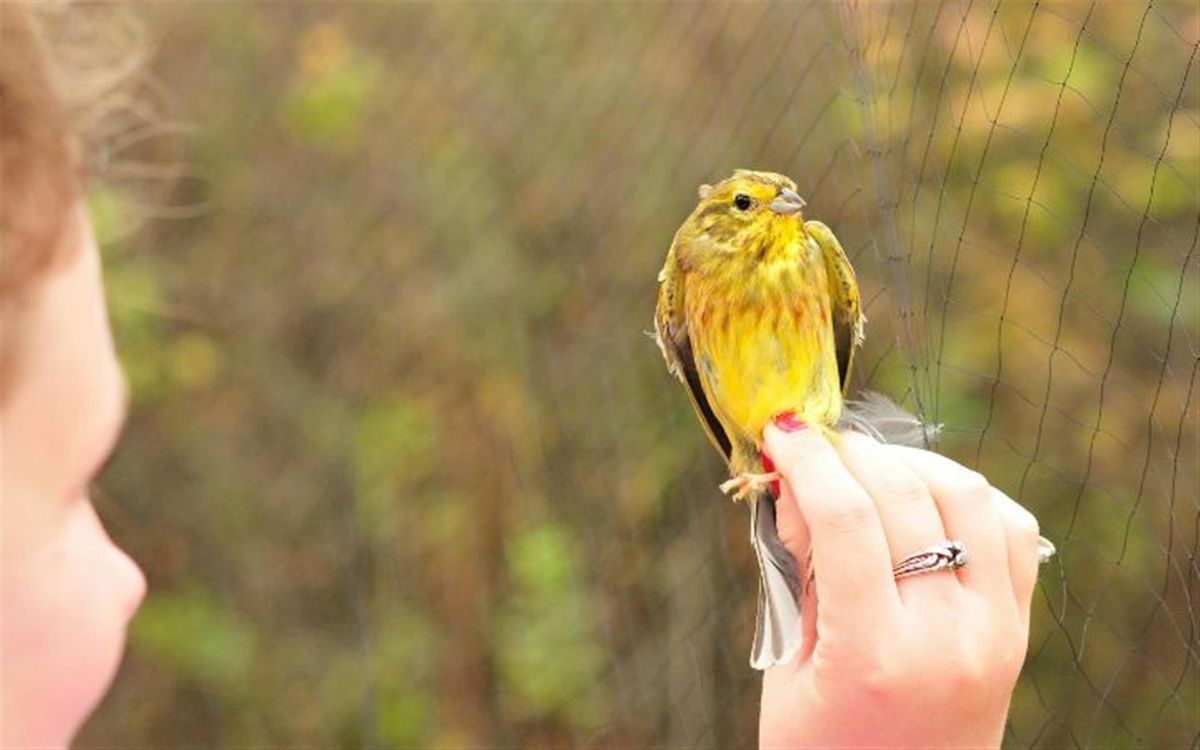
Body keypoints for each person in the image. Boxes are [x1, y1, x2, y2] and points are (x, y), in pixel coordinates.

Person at [0, 6, 1041, 748]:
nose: (135, 570)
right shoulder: (685, 278)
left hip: (811, 430)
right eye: (80, 482)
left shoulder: (817, 259)